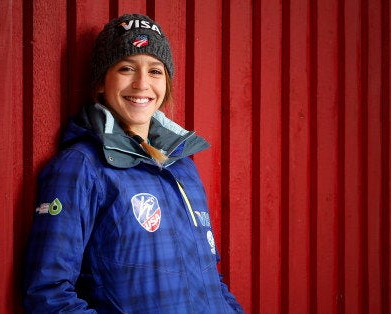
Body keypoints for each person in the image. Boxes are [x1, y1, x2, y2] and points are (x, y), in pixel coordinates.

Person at [23, 13, 245, 313]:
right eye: (127, 68)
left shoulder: (181, 166)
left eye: (155, 71)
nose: (142, 84)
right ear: (101, 83)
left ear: (166, 84)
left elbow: (210, 279)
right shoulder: (81, 167)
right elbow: (48, 293)